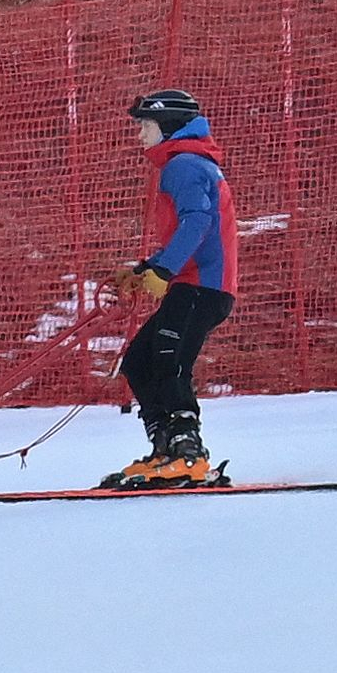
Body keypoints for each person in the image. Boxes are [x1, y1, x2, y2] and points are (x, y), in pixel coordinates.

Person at [106, 89, 237, 487]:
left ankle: (188, 453)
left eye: (146, 126)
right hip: (192, 283)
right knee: (140, 362)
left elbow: (198, 224)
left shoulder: (184, 165)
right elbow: (192, 228)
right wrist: (147, 267)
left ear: (168, 126)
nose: (141, 134)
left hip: (202, 287)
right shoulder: (188, 164)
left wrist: (162, 270)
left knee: (168, 361)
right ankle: (165, 448)